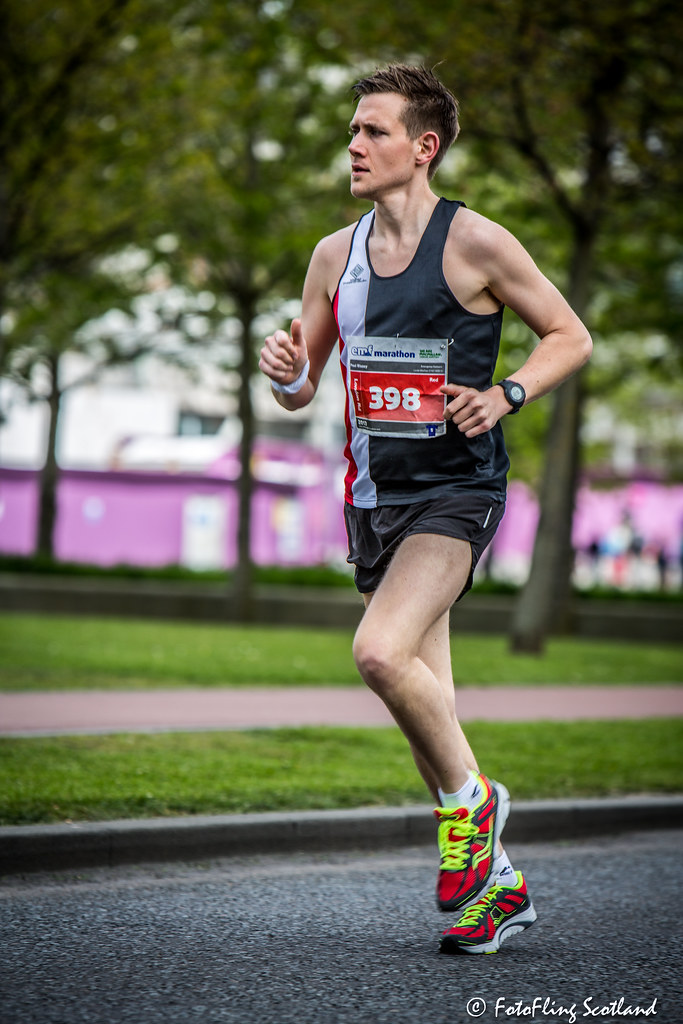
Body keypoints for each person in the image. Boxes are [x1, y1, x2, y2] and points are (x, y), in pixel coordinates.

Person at [259, 63, 592, 955]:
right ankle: (500, 888)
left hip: (455, 492)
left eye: (373, 131)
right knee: (428, 703)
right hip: (374, 499)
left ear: (423, 146)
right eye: (353, 131)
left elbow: (569, 335)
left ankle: (473, 807)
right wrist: (287, 374)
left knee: (376, 652)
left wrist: (508, 394)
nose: (354, 145)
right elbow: (305, 387)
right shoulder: (335, 256)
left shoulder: (477, 243)